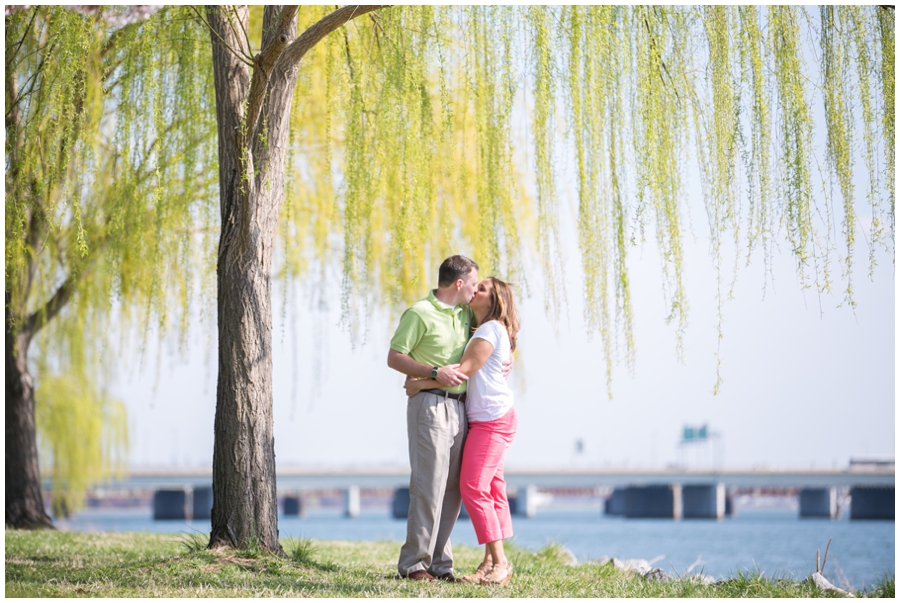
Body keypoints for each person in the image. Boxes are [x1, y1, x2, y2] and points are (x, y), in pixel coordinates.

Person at [405, 277, 520, 587]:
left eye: (481, 289)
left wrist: (421, 382)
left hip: (492, 420)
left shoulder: (489, 329)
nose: (474, 290)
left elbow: (464, 371)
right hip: (488, 418)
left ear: (494, 300)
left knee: (472, 486)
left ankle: (501, 563)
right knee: (493, 488)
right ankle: (489, 561)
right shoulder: (484, 328)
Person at [387, 255, 479, 582]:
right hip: (430, 407)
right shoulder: (419, 313)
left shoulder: (468, 313)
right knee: (428, 487)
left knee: (452, 488)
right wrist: (432, 372)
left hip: (461, 407)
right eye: (473, 284)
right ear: (458, 284)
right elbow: (395, 356)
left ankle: (441, 564)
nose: (476, 289)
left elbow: (500, 327)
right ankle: (414, 564)